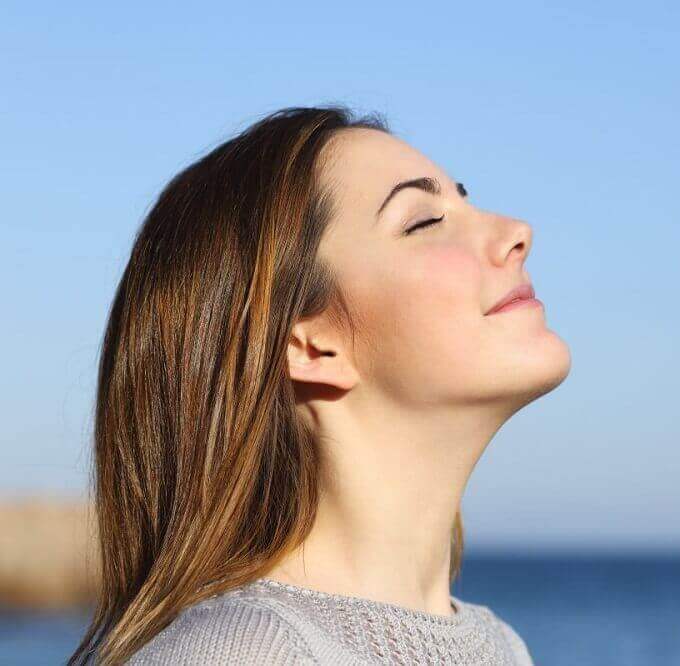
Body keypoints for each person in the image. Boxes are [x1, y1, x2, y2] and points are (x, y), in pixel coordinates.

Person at [68, 105, 571, 665]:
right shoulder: (239, 654)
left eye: (464, 199)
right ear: (309, 346)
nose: (516, 232)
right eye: (424, 221)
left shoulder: (501, 648)